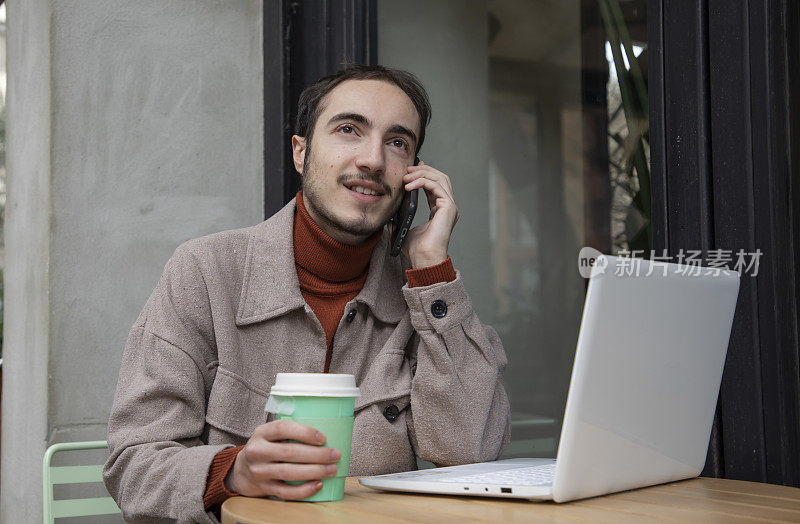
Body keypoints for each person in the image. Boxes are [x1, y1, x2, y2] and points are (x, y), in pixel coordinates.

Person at [103, 65, 510, 523]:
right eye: (348, 130)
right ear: (301, 152)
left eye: (397, 142)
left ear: (413, 174)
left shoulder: (421, 291)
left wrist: (433, 272)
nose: (373, 159)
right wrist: (232, 472)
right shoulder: (204, 271)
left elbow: (474, 450)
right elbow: (132, 466)